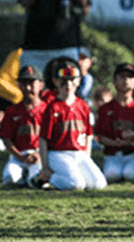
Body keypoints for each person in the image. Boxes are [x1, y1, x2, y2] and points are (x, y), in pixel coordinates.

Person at [36, 57, 107, 191]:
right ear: (56, 82)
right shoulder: (52, 107)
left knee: (98, 184)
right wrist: (45, 167)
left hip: (79, 153)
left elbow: (88, 136)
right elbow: (43, 139)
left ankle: (60, 178)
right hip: (58, 153)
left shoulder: (83, 106)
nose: (68, 84)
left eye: (72, 80)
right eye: (64, 81)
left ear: (79, 80)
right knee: (76, 184)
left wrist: (87, 159)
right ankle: (47, 178)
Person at [95, 63, 134, 183]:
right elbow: (100, 137)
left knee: (130, 175)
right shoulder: (105, 109)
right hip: (113, 154)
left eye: (130, 77)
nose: (126, 80)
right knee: (111, 175)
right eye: (122, 76)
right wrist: (116, 143)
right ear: (114, 82)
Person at [0, 65, 47, 187]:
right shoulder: (12, 111)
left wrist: (41, 155)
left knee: (38, 182)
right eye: (23, 83)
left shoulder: (48, 110)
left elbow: (55, 139)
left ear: (41, 85)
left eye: (31, 83)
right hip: (19, 155)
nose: (27, 87)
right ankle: (24, 176)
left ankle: (30, 177)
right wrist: (19, 156)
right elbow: (6, 139)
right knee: (10, 179)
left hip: (41, 155)